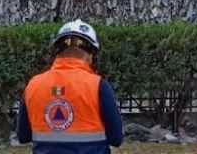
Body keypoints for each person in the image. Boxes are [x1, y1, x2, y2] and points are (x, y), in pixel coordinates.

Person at [16, 20, 124, 154]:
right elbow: (116, 138)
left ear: (57, 51)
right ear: (91, 54)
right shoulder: (98, 86)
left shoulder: (33, 85)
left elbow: (23, 136)